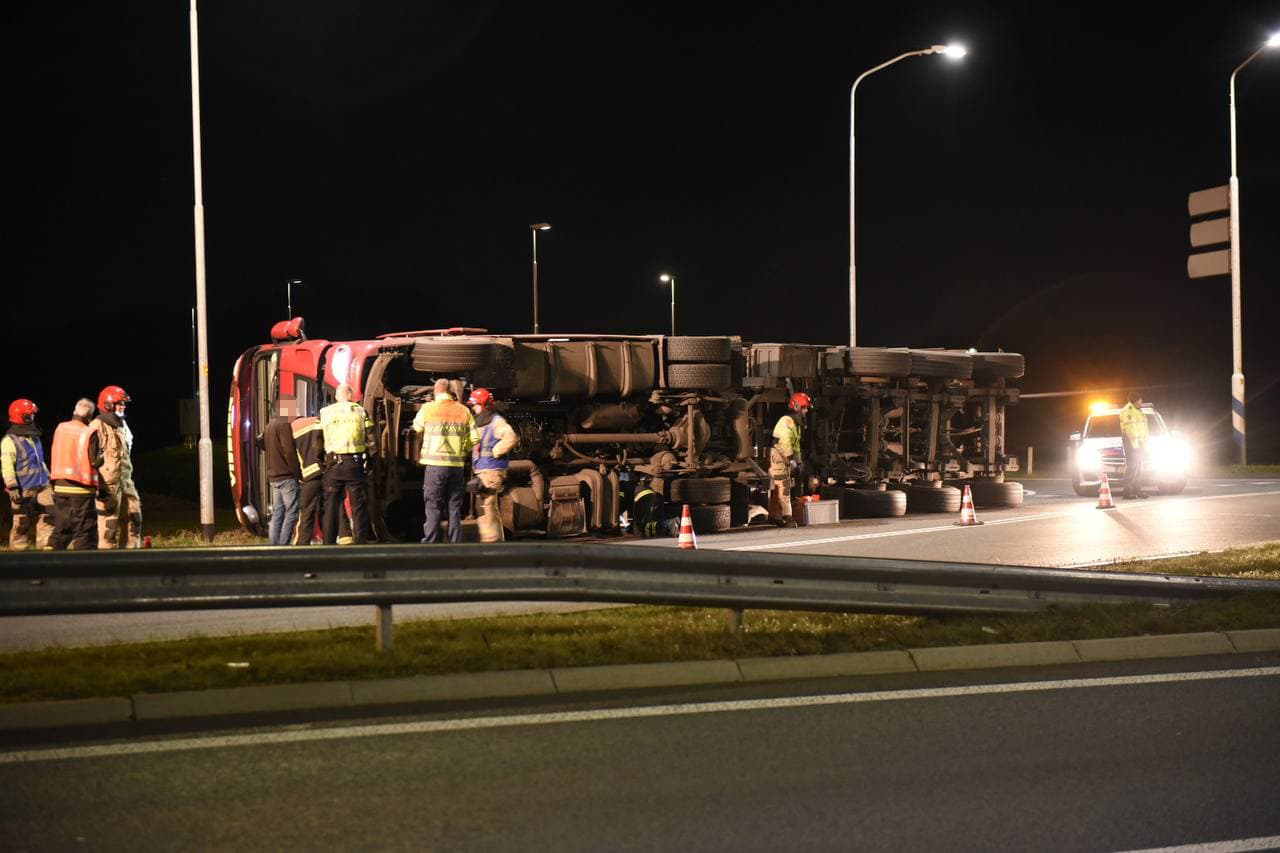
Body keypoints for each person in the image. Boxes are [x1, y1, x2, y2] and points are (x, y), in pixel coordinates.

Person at [412, 378, 479, 543]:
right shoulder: (463, 411)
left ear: (436, 391)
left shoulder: (428, 409)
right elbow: (475, 438)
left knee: (433, 505)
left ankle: (431, 542)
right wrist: (463, 449)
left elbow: (417, 427)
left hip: (435, 466)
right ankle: (455, 542)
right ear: (450, 391)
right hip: (456, 466)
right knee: (454, 506)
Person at [318, 384, 374, 545]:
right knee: (358, 506)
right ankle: (361, 541)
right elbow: (372, 441)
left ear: (336, 396)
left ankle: (328, 542)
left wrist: (322, 463)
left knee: (331, 506)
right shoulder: (360, 411)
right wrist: (370, 463)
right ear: (350, 395)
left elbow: (317, 440)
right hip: (355, 465)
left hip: (334, 465)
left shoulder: (325, 413)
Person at [289, 409, 352, 545]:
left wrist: (299, 476)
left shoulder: (292, 429)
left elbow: (292, 457)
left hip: (309, 477)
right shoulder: (318, 421)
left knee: (307, 512)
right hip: (328, 472)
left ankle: (301, 543)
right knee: (336, 506)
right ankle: (345, 537)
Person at [90, 385, 142, 549]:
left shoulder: (122, 425)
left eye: (124, 403)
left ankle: (131, 557)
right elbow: (89, 459)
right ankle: (106, 564)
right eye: (120, 403)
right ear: (108, 405)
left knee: (134, 517)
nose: (123, 406)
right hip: (108, 485)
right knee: (109, 527)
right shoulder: (95, 427)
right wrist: (98, 485)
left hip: (126, 481)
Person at [48, 398, 102, 550]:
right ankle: (84, 569)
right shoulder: (90, 431)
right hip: (81, 489)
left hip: (59, 487)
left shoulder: (60, 428)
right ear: (90, 416)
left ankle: (47, 566)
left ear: (74, 412)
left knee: (61, 530)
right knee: (85, 533)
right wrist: (102, 457)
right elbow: (94, 461)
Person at [3, 398, 54, 550]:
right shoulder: (9, 440)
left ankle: (46, 549)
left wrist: (49, 477)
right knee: (22, 523)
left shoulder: (33, 435)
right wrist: (12, 486)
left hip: (42, 485)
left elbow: (40, 461)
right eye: (30, 415)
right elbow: (6, 466)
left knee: (49, 516)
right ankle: (18, 557)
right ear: (23, 417)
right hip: (23, 489)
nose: (33, 417)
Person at [468, 388, 518, 543]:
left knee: (487, 505)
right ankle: (495, 540)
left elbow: (511, 437)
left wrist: (496, 451)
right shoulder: (480, 422)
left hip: (492, 469)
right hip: (484, 469)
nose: (473, 408)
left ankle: (491, 542)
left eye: (475, 405)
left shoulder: (496, 421)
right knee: (488, 506)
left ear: (482, 405)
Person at [263, 396, 302, 545]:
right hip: (286, 476)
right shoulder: (284, 424)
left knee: (277, 513)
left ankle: (273, 545)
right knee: (291, 512)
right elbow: (289, 451)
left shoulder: (270, 425)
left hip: (274, 476)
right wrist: (297, 472)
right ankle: (284, 545)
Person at [769, 391, 810, 528]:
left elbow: (796, 446)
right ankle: (788, 517)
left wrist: (799, 462)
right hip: (779, 456)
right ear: (797, 406)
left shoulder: (795, 424)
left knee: (778, 487)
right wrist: (792, 459)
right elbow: (785, 443)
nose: (806, 411)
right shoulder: (787, 421)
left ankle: (773, 516)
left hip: (784, 457)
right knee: (784, 487)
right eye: (804, 408)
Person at [1119, 391, 1150, 499]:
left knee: (1139, 467)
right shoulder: (1128, 411)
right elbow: (1130, 430)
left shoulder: (1138, 411)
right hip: (1132, 443)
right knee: (1132, 467)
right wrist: (1135, 445)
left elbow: (1143, 428)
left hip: (1139, 443)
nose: (1142, 401)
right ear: (1136, 400)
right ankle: (1127, 492)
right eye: (1140, 399)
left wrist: (1145, 442)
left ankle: (1137, 490)